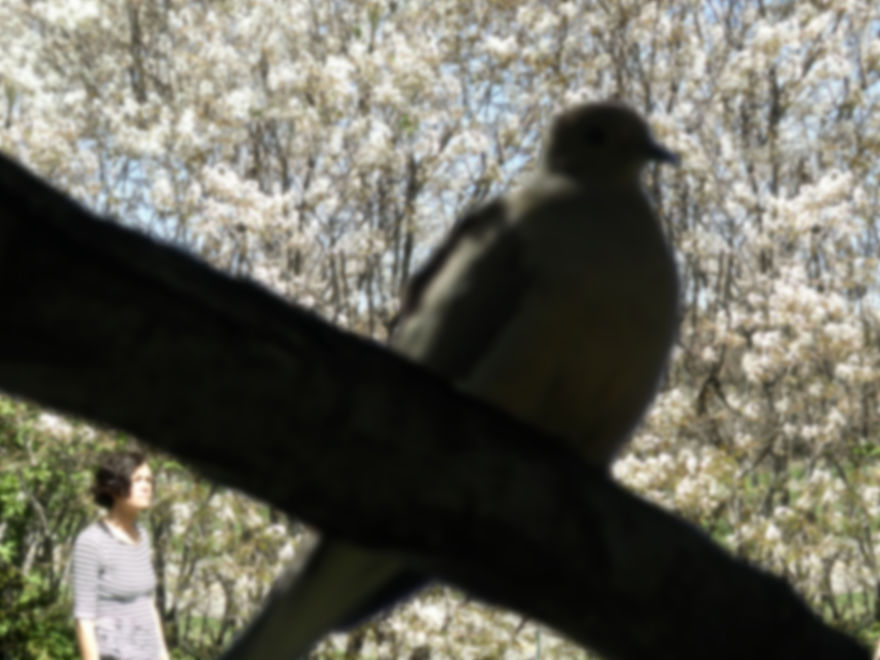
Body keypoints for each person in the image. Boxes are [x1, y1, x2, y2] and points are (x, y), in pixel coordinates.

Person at [71, 450, 169, 660]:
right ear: (114, 487)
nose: (146, 486)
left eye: (149, 480)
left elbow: (148, 604)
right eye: (138, 480)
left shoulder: (142, 536)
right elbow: (84, 619)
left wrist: (163, 655)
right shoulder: (91, 542)